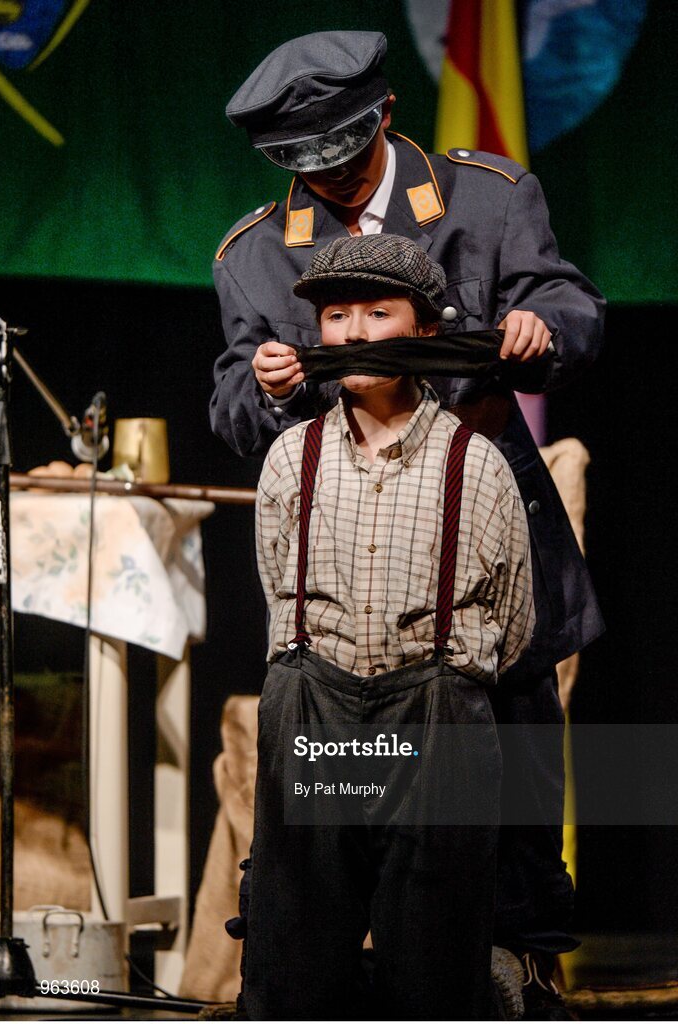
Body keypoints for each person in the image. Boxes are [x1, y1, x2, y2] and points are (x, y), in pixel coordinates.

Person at [210, 30, 606, 1018]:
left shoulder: (485, 197)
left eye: (340, 156)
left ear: (383, 116)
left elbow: (567, 301)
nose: (328, 183)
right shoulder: (257, 253)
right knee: (331, 809)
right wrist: (263, 392)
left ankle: (511, 974)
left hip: (477, 529)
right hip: (347, 555)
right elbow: (229, 409)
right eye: (303, 167)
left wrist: (538, 327)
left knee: (505, 784)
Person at [249, 232, 534, 1020]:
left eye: (380, 312)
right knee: (302, 932)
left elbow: (511, 624)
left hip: (433, 717)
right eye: (338, 316)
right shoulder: (291, 457)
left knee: (431, 942)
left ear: (426, 331)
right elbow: (279, 584)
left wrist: (438, 679)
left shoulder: (476, 464)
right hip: (319, 708)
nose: (357, 333)